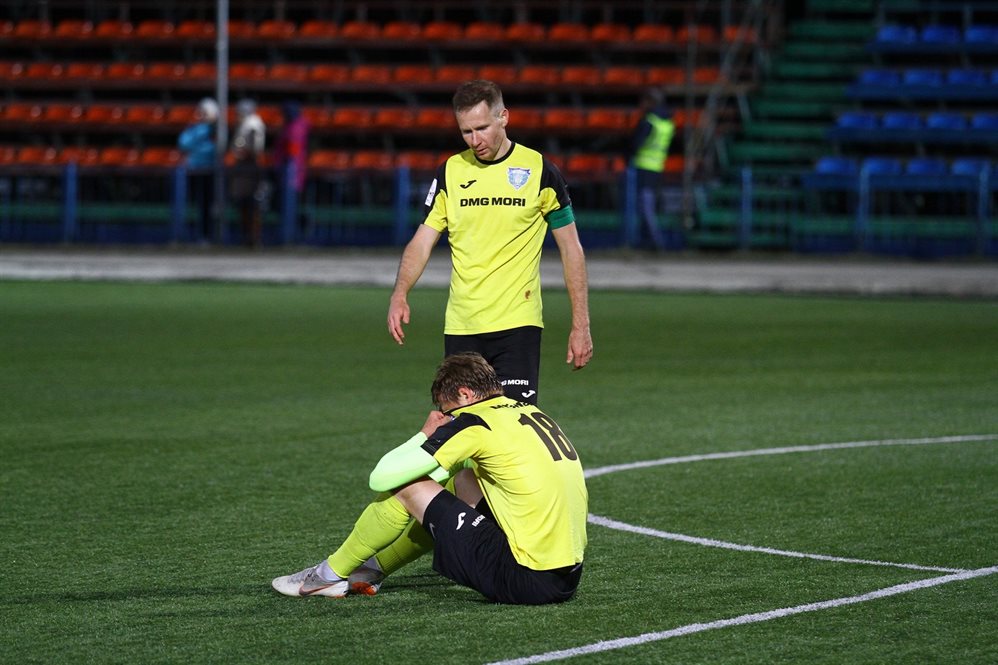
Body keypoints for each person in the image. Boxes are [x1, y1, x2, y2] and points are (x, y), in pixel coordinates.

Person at [272, 352, 588, 605]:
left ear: (464, 394)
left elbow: (381, 478)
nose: (448, 418)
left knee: (407, 487)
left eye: (448, 410)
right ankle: (371, 571)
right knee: (463, 479)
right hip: (566, 577)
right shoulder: (529, 411)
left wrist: (424, 434)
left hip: (527, 578)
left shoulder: (475, 421)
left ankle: (327, 576)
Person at [387, 80, 593, 406]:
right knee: (463, 428)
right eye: (466, 132)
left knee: (513, 428)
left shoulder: (540, 171)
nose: (475, 140)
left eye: (482, 128)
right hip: (462, 326)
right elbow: (422, 241)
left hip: (518, 326)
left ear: (503, 117)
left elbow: (571, 249)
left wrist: (581, 324)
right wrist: (400, 293)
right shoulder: (450, 172)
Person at [629, 88, 675, 251]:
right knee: (647, 205)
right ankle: (647, 241)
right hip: (657, 167)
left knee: (645, 206)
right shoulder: (667, 123)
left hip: (643, 166)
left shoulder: (649, 121)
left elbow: (636, 144)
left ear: (651, 102)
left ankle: (655, 241)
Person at [177, 97, 218, 242]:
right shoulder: (194, 128)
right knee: (194, 204)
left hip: (211, 172)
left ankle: (208, 235)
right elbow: (183, 143)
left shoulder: (216, 129)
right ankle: (190, 235)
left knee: (208, 205)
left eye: (205, 112)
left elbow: (215, 149)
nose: (202, 115)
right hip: (194, 171)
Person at [229, 98, 267, 248]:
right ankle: (248, 237)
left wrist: (242, 153)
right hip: (245, 167)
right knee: (244, 203)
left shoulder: (253, 125)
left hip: (250, 168)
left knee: (253, 204)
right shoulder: (246, 124)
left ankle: (253, 238)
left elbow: (253, 148)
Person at [271, 101, 309, 225]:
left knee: (289, 203)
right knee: (286, 203)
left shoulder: (295, 128)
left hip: (291, 172)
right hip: (287, 170)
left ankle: (296, 227)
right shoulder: (290, 126)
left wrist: (286, 164)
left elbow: (293, 151)